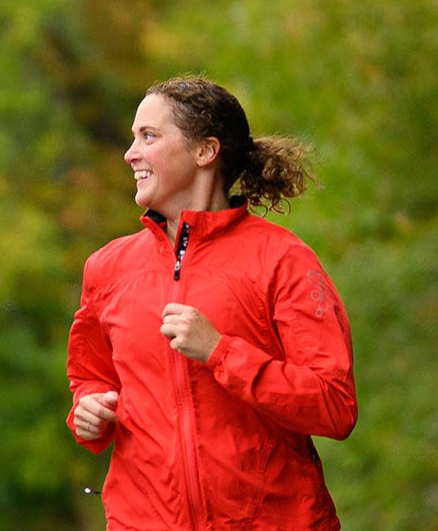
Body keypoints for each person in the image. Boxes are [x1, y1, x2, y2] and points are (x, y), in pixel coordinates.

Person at [66, 76, 358, 529]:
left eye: (149, 136)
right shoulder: (107, 269)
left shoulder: (282, 260)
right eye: (131, 138)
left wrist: (221, 352)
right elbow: (90, 377)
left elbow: (334, 406)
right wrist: (90, 411)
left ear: (205, 152)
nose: (130, 153)